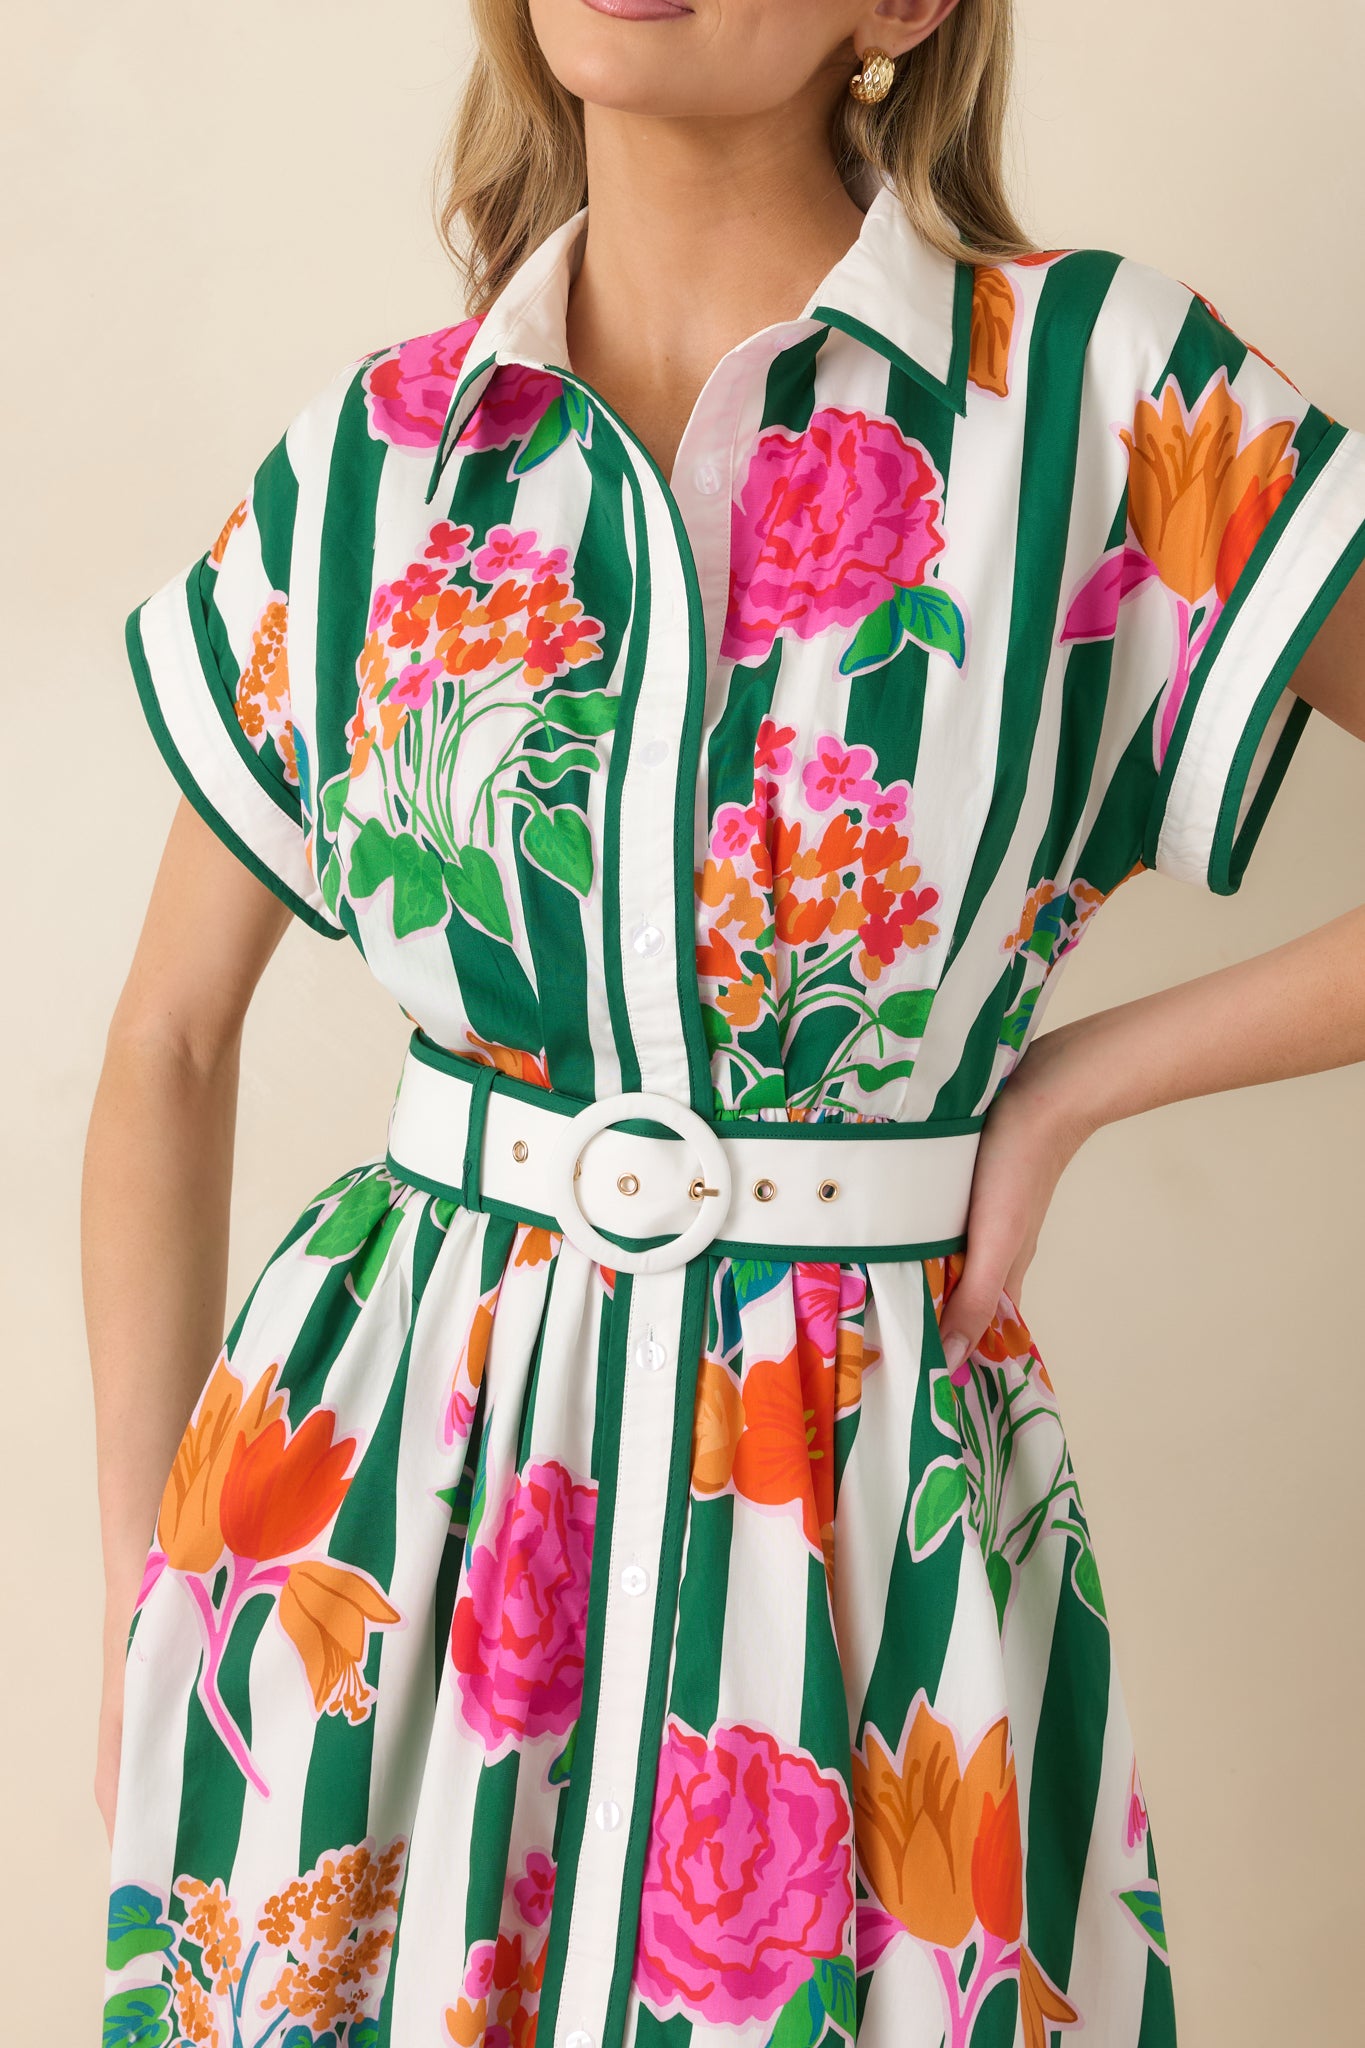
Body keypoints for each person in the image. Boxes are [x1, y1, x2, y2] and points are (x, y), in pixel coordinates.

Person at [85, 2, 1365, 2044]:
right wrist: (148, 1610)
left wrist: (1076, 1084)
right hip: (382, 1534)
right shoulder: (378, 460)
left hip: (859, 1516)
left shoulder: (1092, 394)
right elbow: (165, 1037)